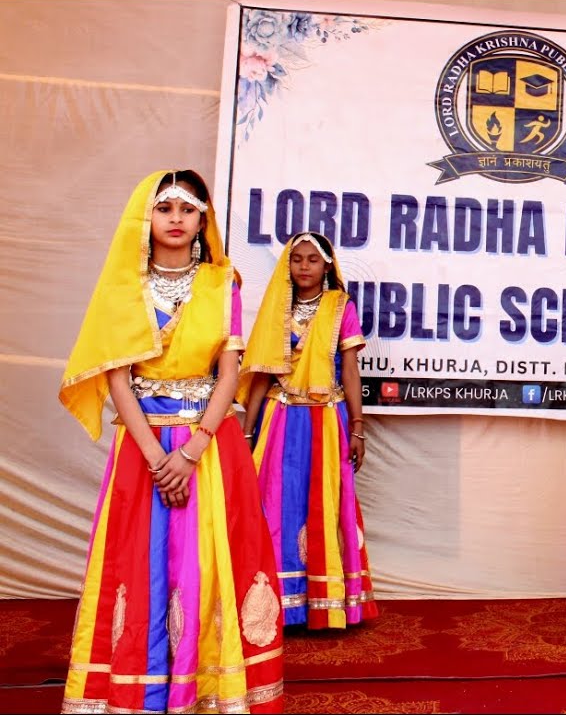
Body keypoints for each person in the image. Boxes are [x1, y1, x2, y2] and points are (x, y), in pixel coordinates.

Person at [58, 170, 283, 713]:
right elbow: (117, 377)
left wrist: (191, 450)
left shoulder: (221, 281)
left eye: (188, 209)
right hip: (142, 446)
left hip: (209, 446)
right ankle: (141, 688)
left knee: (208, 562)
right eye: (166, 209)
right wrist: (159, 457)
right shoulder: (125, 285)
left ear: (203, 219)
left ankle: (209, 688)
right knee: (145, 559)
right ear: (148, 218)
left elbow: (229, 372)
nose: (177, 220)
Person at [239, 230, 378, 630]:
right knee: (274, 504)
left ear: (327, 266)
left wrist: (358, 427)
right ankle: (276, 603)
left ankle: (325, 602)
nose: (303, 266)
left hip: (325, 419)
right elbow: (263, 372)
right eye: (297, 259)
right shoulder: (276, 309)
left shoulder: (339, 307)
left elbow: (350, 369)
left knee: (325, 503)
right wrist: (247, 433)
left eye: (312, 260)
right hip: (280, 419)